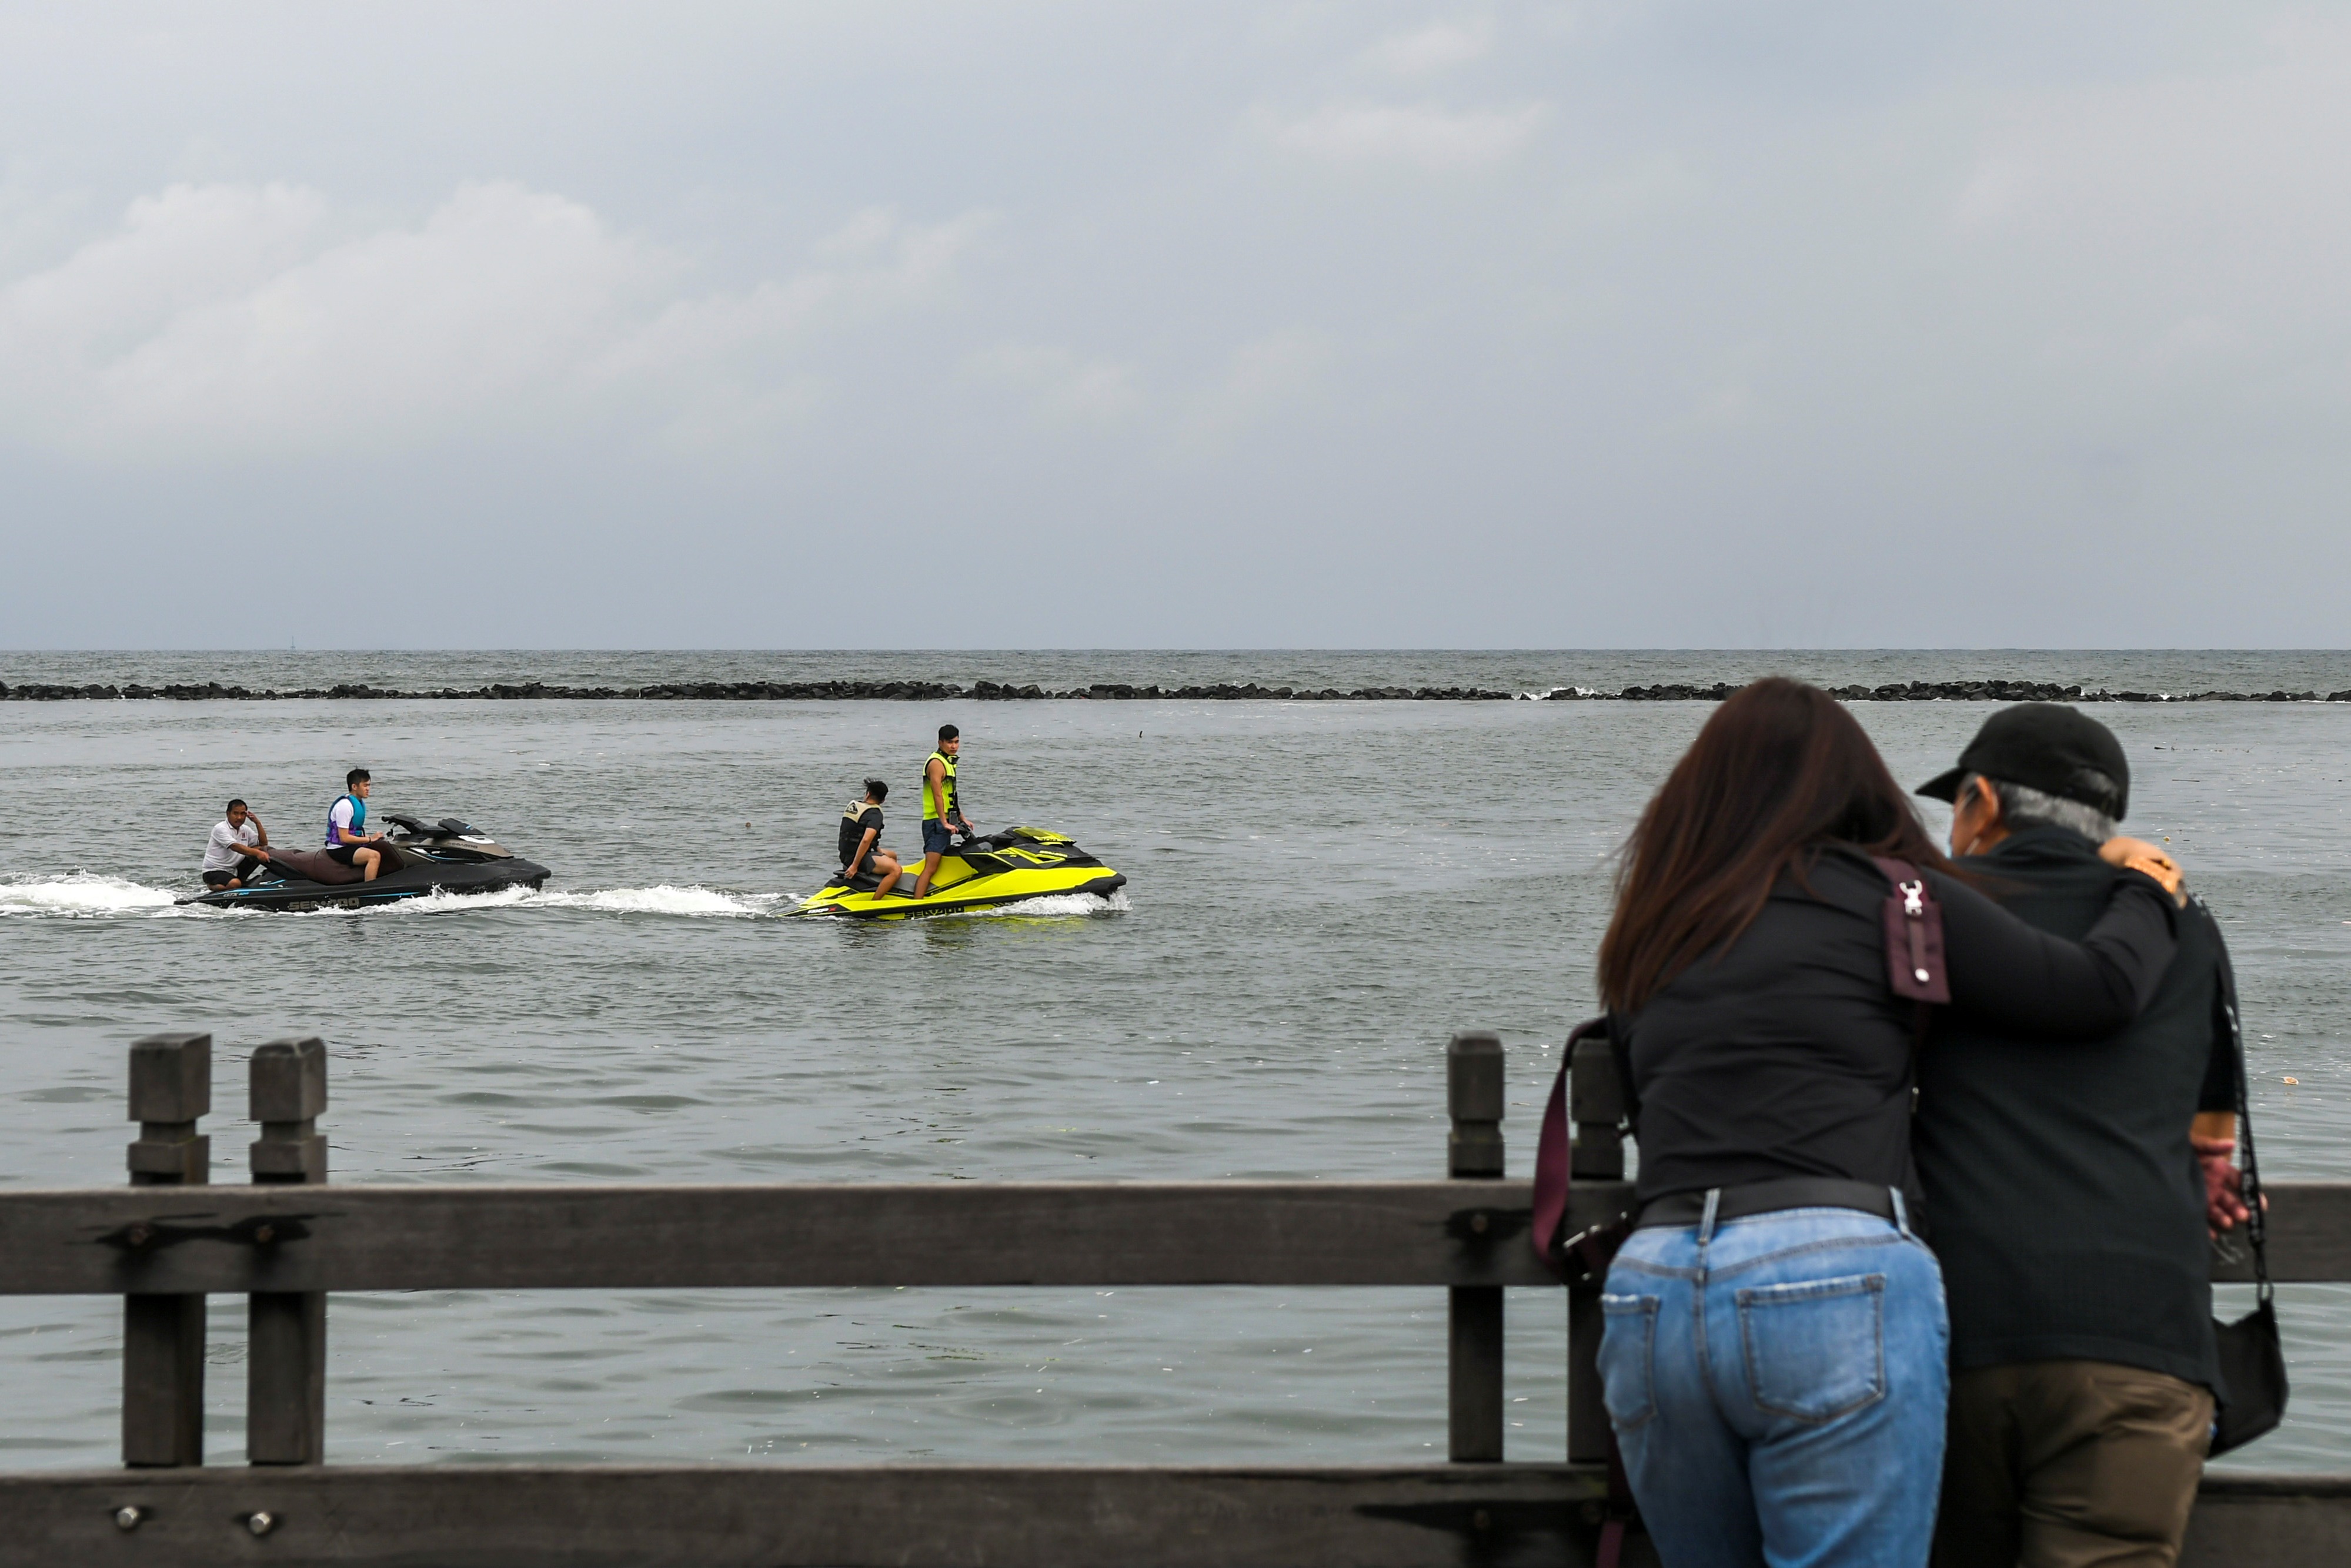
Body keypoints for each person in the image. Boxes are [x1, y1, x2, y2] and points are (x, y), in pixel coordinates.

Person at [1591, 678, 2186, 1568]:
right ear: (1850, 785)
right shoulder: (1896, 897)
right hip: (1829, 1276)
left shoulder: (1658, 922)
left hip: (1654, 1286)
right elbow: (2091, 991)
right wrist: (2150, 890)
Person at [1912, 705, 2245, 1568]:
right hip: (2141, 1335)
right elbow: (2215, 1113)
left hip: (1959, 1328)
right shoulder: (2180, 920)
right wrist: (2207, 1162)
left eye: (1955, 806)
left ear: (1981, 802)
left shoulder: (1934, 917)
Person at [911, 724, 976, 899]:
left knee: (944, 864)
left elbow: (951, 796)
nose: (954, 746)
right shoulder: (936, 763)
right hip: (935, 822)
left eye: (956, 742)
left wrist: (963, 818)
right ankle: (916, 904)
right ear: (940, 743)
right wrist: (944, 822)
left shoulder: (948, 762)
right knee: (931, 868)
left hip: (946, 821)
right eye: (949, 743)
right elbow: (937, 795)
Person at [839, 778, 903, 896]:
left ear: (868, 794)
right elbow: (866, 840)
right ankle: (876, 901)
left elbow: (856, 833)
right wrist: (854, 866)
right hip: (856, 858)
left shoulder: (855, 806)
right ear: (883, 800)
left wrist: (876, 848)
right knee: (897, 870)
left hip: (846, 853)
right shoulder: (875, 814)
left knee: (893, 856)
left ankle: (878, 886)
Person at [325, 768, 388, 882]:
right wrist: (369, 839)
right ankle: (369, 890)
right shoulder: (345, 806)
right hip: (338, 849)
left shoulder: (358, 803)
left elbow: (355, 831)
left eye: (369, 785)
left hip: (349, 846)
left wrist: (375, 839)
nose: (368, 789)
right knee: (374, 856)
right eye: (365, 786)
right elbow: (344, 837)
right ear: (355, 787)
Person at [200, 799, 271, 889]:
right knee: (235, 884)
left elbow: (263, 844)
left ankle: (240, 882)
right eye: (236, 814)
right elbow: (235, 846)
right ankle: (214, 887)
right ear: (228, 814)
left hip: (233, 870)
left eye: (243, 814)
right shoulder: (220, 828)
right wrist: (258, 853)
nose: (239, 818)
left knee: (260, 849)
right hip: (213, 871)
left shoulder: (245, 829)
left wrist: (258, 823)